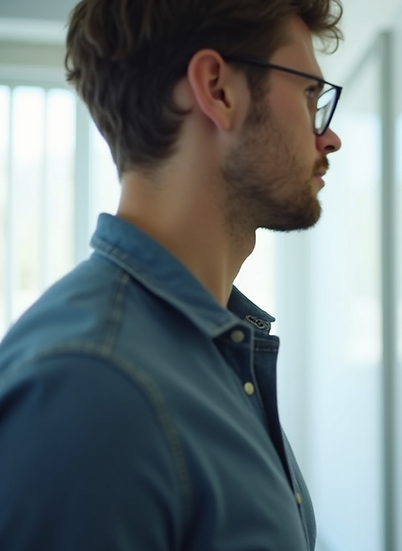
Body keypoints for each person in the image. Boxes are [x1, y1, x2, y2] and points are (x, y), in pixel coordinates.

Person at [0, 0, 343, 549]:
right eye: (309, 94)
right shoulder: (90, 386)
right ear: (217, 89)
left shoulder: (215, 347)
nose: (328, 138)